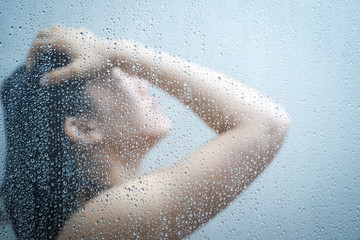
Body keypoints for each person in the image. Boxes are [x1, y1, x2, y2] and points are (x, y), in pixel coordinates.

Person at [1, 25, 291, 239]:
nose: (143, 82)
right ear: (84, 127)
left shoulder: (96, 218)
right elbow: (267, 123)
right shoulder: (102, 220)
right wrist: (115, 50)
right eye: (115, 71)